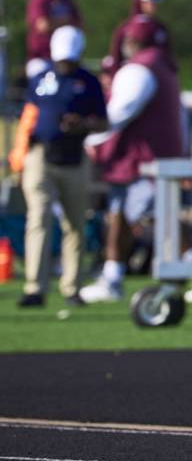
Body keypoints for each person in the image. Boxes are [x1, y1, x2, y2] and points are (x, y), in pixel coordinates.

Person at [81, 17, 192, 302]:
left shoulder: (141, 69)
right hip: (145, 157)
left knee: (155, 216)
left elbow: (118, 112)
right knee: (123, 217)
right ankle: (113, 277)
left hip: (142, 159)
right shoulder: (164, 67)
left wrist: (91, 138)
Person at [8, 27, 107, 307]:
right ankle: (35, 288)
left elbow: (102, 121)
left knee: (74, 224)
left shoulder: (88, 82)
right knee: (38, 219)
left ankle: (71, 287)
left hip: (74, 159)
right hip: (41, 155)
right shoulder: (41, 78)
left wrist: (83, 124)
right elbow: (29, 117)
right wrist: (20, 155)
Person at [24, 0, 82, 80]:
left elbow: (78, 25)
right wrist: (66, 22)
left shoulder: (68, 2)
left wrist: (54, 22)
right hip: (42, 58)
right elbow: (43, 25)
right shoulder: (38, 1)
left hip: (68, 60)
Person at [107, 0, 172, 70]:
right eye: (151, 1)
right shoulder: (125, 28)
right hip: (130, 73)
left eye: (156, 1)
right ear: (141, 2)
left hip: (155, 74)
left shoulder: (160, 27)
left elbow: (167, 55)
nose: (154, 5)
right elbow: (116, 56)